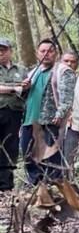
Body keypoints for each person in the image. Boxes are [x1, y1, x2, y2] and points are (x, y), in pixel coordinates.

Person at [19, 39, 76, 185]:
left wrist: (60, 114)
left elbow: (67, 97)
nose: (46, 54)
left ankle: (54, 189)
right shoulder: (33, 72)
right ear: (37, 54)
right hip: (29, 121)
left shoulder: (63, 71)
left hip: (49, 121)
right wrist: (24, 88)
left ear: (56, 54)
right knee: (28, 157)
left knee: (51, 158)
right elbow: (25, 97)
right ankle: (37, 189)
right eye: (43, 51)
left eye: (50, 51)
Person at [0, 38, 26, 191]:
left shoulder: (20, 70)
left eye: (3, 50)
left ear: (10, 51)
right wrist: (14, 88)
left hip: (14, 112)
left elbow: (26, 86)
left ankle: (6, 184)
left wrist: (23, 87)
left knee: (11, 146)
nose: (1, 53)